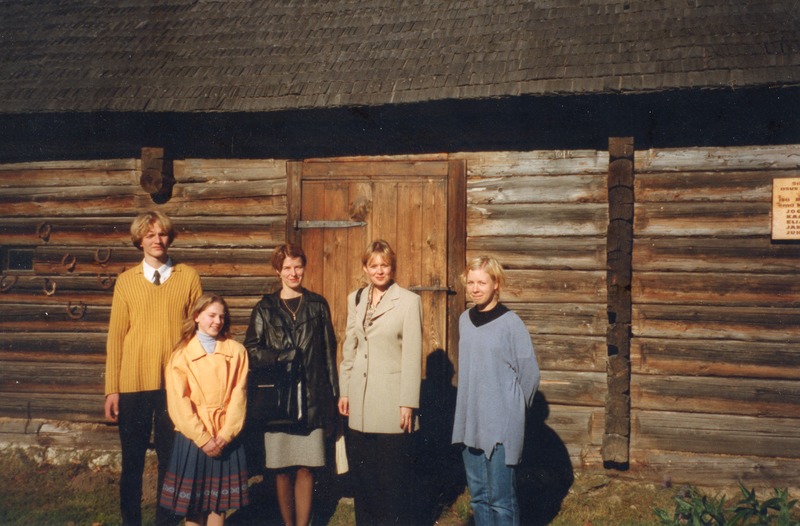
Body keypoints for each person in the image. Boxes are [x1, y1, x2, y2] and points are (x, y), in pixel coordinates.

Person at [104, 210, 203, 526]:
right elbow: (116, 337)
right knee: (131, 461)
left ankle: (166, 521)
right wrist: (112, 389)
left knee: (170, 461)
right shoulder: (126, 282)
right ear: (140, 240)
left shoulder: (188, 276)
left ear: (169, 237)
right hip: (132, 386)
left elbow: (199, 333)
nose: (156, 240)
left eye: (161, 234)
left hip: (173, 387)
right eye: (150, 235)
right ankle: (130, 521)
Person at [244, 243, 338, 526]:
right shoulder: (264, 309)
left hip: (312, 398)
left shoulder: (318, 305)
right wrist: (282, 356)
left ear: (304, 268)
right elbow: (251, 350)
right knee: (282, 469)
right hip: (279, 401)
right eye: (287, 268)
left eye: (298, 266)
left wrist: (333, 396)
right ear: (278, 271)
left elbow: (329, 353)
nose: (293, 273)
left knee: (307, 468)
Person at [338, 239, 423, 525]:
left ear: (392, 267)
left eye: (384, 265)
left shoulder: (409, 302)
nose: (379, 270)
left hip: (390, 405)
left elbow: (412, 356)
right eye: (373, 265)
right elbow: (349, 347)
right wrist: (345, 390)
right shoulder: (356, 298)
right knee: (363, 482)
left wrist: (408, 402)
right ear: (365, 268)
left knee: (390, 484)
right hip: (360, 405)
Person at [451, 255, 540, 526]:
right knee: (479, 497)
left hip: (501, 425)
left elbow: (530, 374)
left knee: (501, 500)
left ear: (496, 284)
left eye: (482, 282)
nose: (475, 288)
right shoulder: (465, 320)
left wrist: (513, 412)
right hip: (471, 422)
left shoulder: (511, 323)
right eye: (471, 282)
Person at [159, 294, 250, 526]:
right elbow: (179, 404)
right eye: (211, 315)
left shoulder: (236, 351)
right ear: (197, 317)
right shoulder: (181, 356)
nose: (217, 321)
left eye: (221, 316)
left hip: (224, 438)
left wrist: (225, 435)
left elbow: (239, 397)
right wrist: (203, 438)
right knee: (195, 507)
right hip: (194, 439)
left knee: (218, 506)